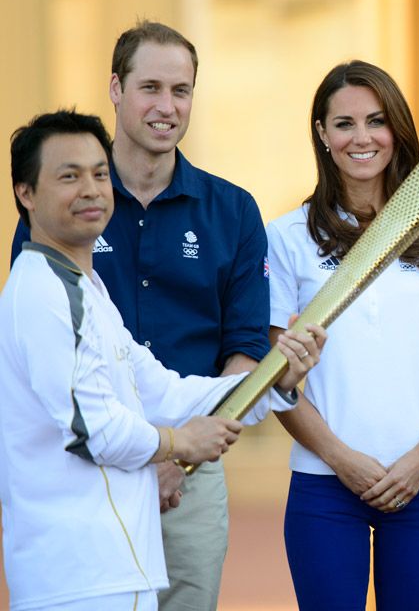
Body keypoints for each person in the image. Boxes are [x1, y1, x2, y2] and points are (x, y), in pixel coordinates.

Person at [1, 110, 327, 611]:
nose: (90, 189)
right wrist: (178, 443)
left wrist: (275, 377)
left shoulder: (88, 289)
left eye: (99, 173)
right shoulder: (43, 293)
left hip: (120, 565)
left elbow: (165, 392)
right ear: (26, 192)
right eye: (69, 176)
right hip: (76, 577)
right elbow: (94, 429)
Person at [267, 59, 419, 611]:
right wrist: (341, 458)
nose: (362, 138)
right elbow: (274, 379)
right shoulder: (286, 237)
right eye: (344, 123)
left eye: (376, 121)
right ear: (322, 134)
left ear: (398, 129)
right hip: (325, 485)